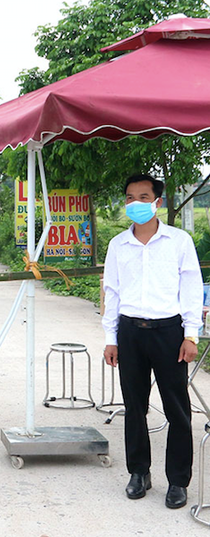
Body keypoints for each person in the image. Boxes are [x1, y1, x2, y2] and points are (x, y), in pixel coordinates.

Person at [102, 173, 201, 509]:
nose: (136, 204)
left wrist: (190, 335)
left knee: (177, 409)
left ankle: (177, 481)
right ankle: (139, 473)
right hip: (130, 332)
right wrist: (110, 338)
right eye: (130, 197)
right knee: (134, 407)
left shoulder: (178, 241)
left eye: (144, 197)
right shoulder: (118, 244)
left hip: (168, 331)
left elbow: (189, 289)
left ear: (157, 202)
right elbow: (111, 293)